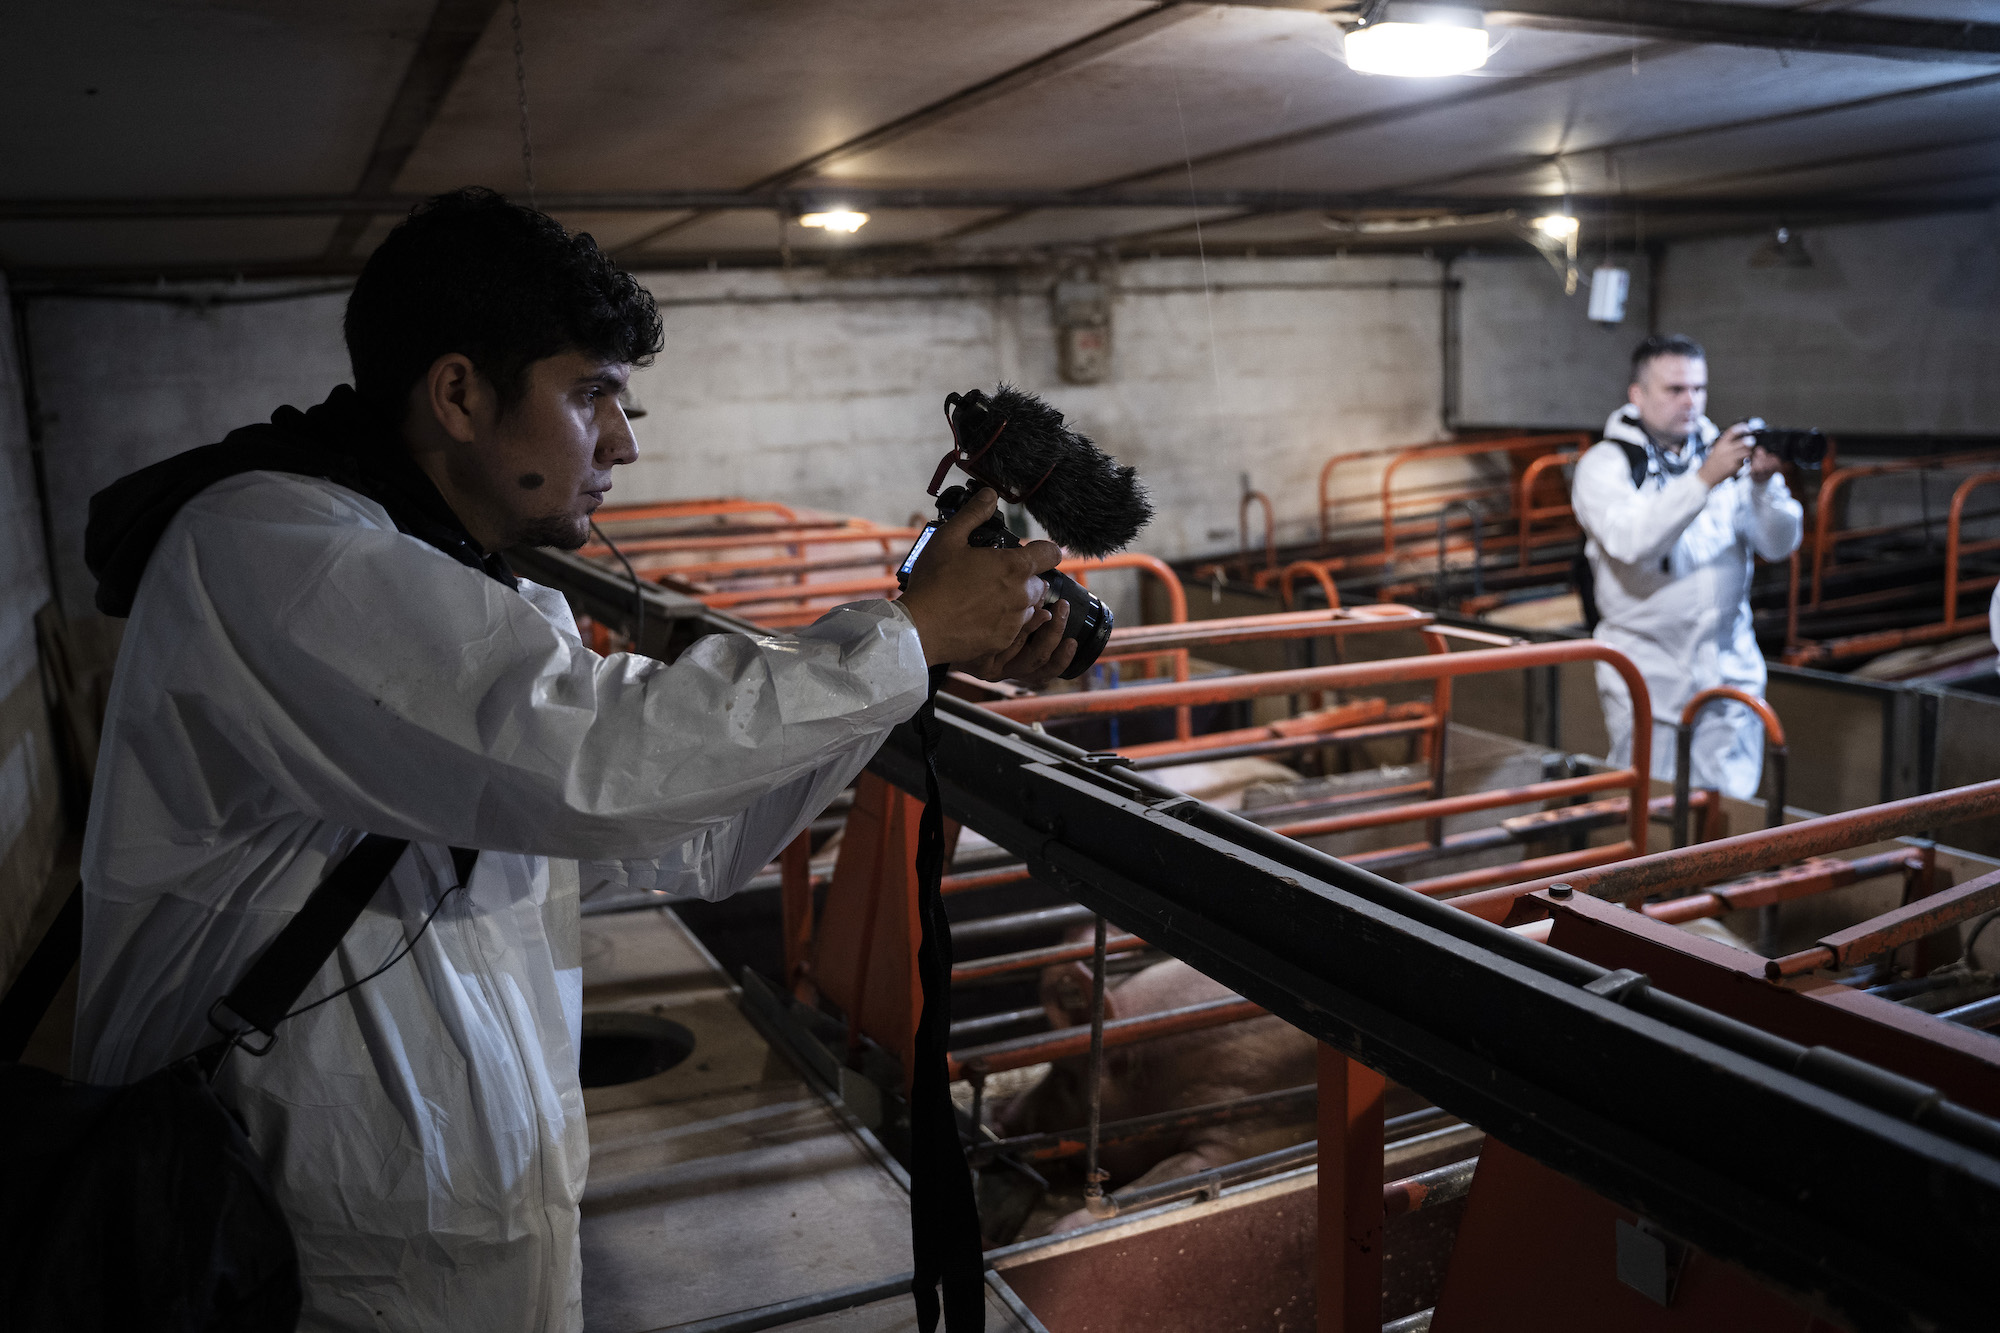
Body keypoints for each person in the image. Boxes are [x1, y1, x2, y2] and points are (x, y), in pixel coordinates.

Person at [72, 189, 1075, 1332]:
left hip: (454, 1214)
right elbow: (590, 757)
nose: (624, 442)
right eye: (590, 394)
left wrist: (916, 655)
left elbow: (675, 835)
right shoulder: (274, 550)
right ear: (458, 394)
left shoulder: (476, 590)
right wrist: (897, 642)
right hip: (276, 1231)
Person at [1571, 333, 1804, 800]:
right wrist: (1704, 479)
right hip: (1648, 675)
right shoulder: (1605, 465)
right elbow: (1629, 540)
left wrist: (1763, 485)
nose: (1690, 401)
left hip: (1728, 670)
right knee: (1651, 812)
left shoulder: (1725, 460)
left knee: (1729, 814)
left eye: (1698, 389)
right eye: (1674, 389)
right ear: (1637, 395)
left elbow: (1779, 544)